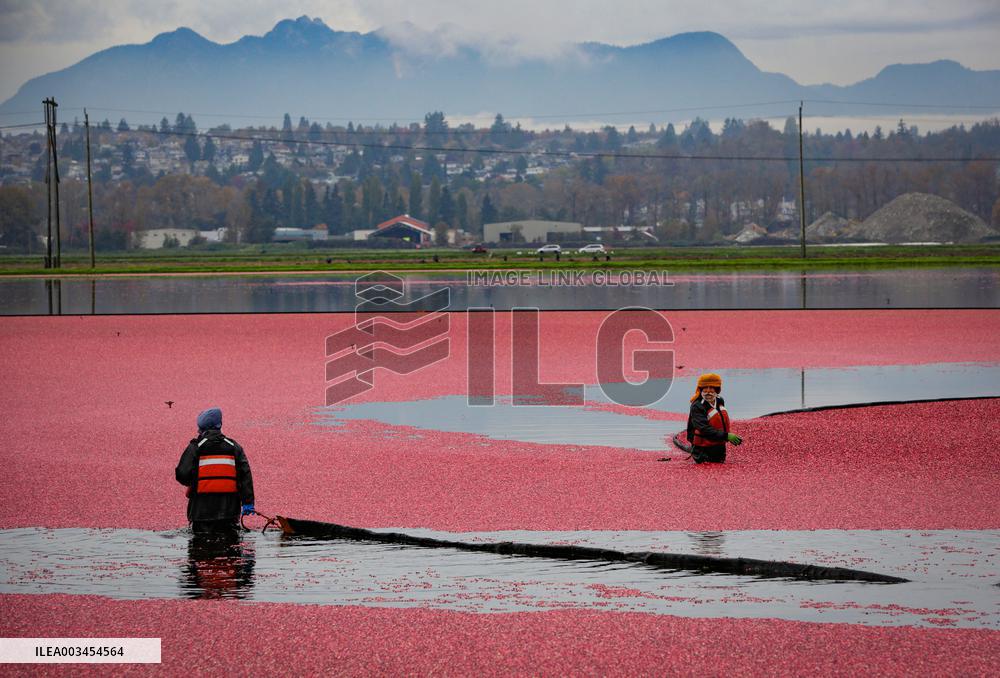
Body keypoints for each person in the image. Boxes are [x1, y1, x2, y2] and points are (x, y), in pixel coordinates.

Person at [176, 407, 255, 533]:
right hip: (229, 513)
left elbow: (181, 474)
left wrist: (195, 482)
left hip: (201, 513)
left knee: (200, 546)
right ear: (220, 425)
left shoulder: (195, 447)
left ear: (201, 428)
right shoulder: (234, 447)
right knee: (230, 548)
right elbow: (245, 475)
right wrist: (248, 502)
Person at [686, 373, 743, 463]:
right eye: (705, 387)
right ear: (700, 388)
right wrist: (726, 435)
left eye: (712, 387)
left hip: (719, 447)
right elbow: (703, 428)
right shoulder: (697, 405)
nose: (708, 391)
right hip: (702, 449)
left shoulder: (720, 400)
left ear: (717, 389)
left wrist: (726, 436)